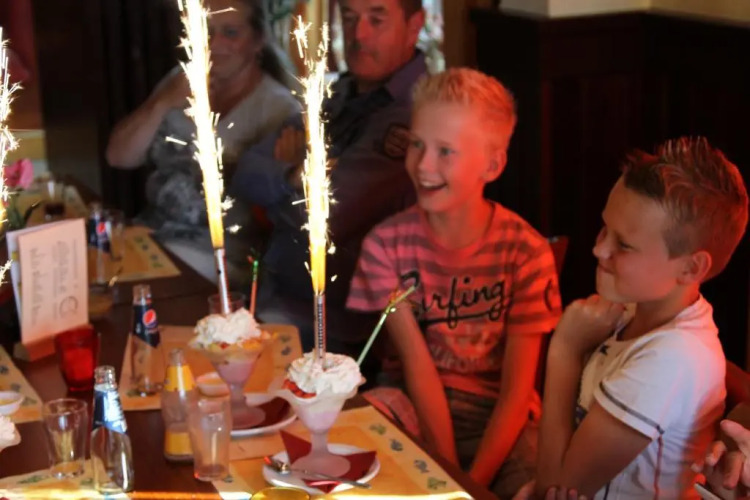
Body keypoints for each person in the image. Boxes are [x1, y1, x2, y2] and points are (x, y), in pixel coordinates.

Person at [346, 68, 563, 498]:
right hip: (411, 403)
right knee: (360, 443)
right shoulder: (385, 246)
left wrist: (471, 486)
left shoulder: (526, 253)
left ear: (492, 165)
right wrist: (449, 481)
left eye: (445, 151)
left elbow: (516, 394)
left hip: (499, 420)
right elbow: (417, 368)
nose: (424, 165)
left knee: (541, 485)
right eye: (417, 144)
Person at [533, 137, 749, 499]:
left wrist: (564, 350)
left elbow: (555, 490)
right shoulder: (632, 309)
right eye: (605, 228)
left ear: (691, 268)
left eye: (624, 244)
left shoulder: (672, 358)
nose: (599, 248)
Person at [228, 0, 427, 353]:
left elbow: (322, 215)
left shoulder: (414, 112)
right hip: (275, 294)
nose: (358, 34)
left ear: (414, 26)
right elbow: (244, 173)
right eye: (349, 19)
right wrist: (295, 174)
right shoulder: (341, 93)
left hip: (337, 327)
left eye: (376, 19)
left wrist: (276, 193)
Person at [106, 0, 300, 287]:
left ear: (257, 41)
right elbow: (118, 157)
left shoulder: (279, 109)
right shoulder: (178, 81)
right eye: (206, 30)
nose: (214, 43)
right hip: (151, 235)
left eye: (231, 32)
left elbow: (278, 211)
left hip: (221, 255)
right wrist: (161, 102)